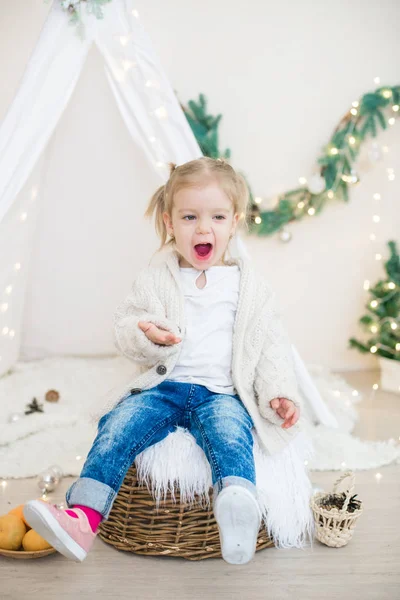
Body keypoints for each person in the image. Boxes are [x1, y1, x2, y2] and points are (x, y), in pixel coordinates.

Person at [24, 156, 306, 565]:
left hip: (221, 393)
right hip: (163, 388)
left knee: (231, 435)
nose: (203, 228)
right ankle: (82, 518)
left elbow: (271, 346)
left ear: (235, 222)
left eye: (217, 217)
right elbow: (126, 326)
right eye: (190, 216)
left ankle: (238, 507)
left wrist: (279, 393)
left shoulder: (250, 287)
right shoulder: (157, 277)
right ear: (170, 222)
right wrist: (147, 333)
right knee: (117, 426)